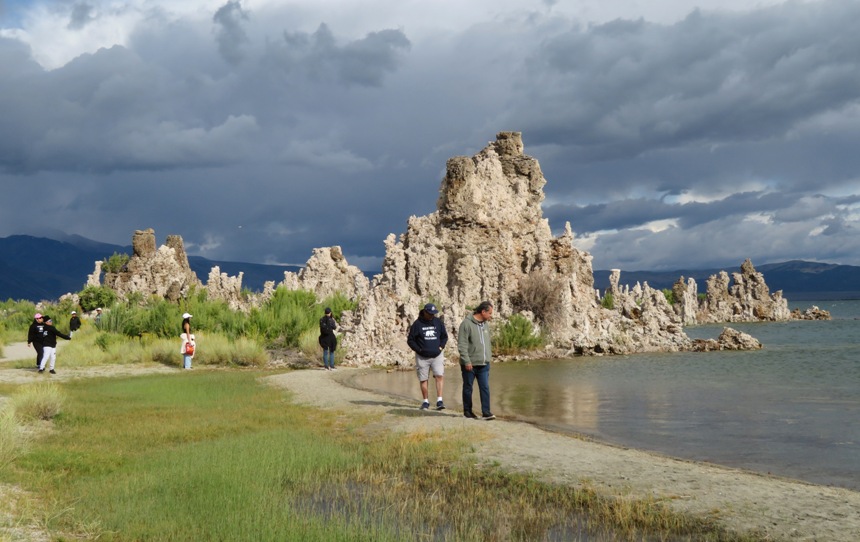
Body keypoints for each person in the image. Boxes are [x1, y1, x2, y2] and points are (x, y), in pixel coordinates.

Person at [457, 301, 495, 420]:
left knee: (485, 387)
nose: (491, 316)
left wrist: (488, 357)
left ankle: (486, 412)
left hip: (484, 364)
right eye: (489, 313)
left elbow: (487, 343)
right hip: (470, 364)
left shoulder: (485, 325)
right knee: (468, 387)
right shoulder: (466, 324)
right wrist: (467, 361)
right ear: (483, 312)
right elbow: (462, 344)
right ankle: (467, 412)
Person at [407, 303, 448, 410]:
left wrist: (441, 347)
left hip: (437, 355)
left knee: (439, 376)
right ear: (424, 312)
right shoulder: (417, 324)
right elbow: (410, 340)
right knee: (423, 379)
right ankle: (425, 401)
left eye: (433, 314)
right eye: (430, 314)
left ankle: (439, 400)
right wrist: (419, 349)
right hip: (422, 357)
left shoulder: (438, 322)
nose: (431, 316)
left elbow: (444, 336)